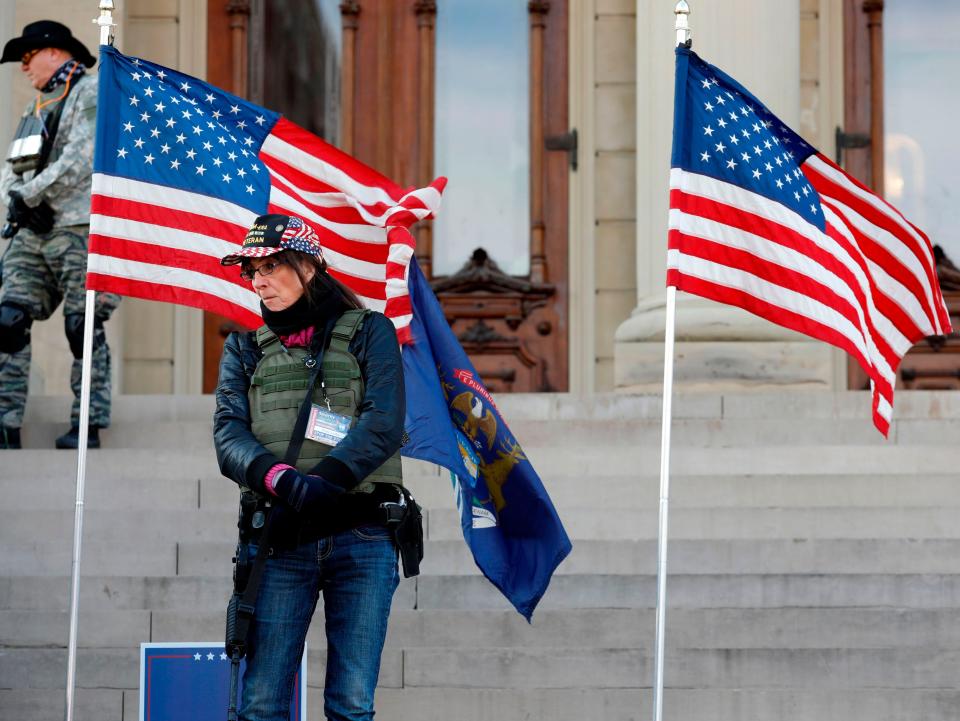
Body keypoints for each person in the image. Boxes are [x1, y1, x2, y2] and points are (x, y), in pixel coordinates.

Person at [214, 214, 407, 721]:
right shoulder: (242, 347)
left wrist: (325, 483)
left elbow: (384, 422)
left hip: (362, 535)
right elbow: (228, 437)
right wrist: (283, 482)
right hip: (279, 536)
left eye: (272, 266)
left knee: (351, 703)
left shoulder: (370, 331)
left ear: (310, 266)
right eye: (251, 269)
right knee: (260, 703)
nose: (259, 280)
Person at [0, 20, 121, 449]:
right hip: (34, 231)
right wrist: (15, 200)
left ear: (54, 52)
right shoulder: (36, 108)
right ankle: (5, 422)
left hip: (82, 228)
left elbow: (81, 157)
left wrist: (26, 195)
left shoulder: (89, 92)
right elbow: (12, 168)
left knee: (80, 326)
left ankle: (86, 423)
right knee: (7, 321)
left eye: (27, 57)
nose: (23, 67)